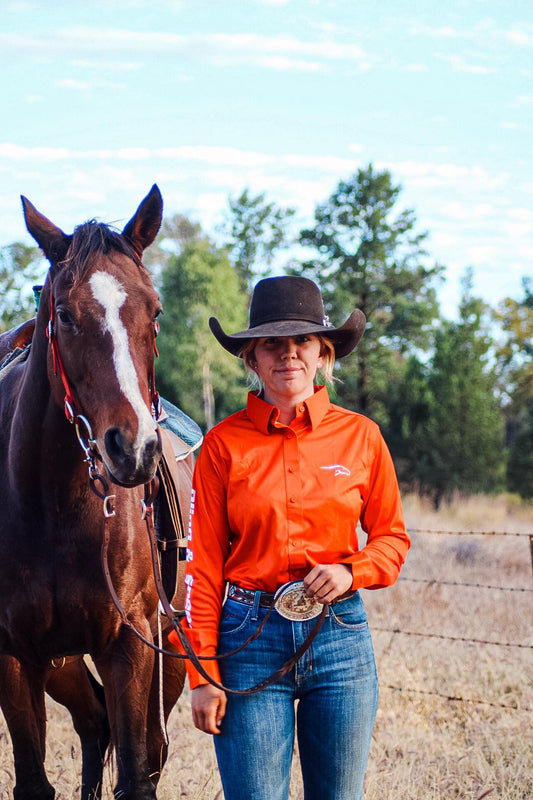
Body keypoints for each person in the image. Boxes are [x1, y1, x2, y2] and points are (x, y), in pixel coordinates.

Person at [168, 276, 410, 800]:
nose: (288, 355)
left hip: (339, 635)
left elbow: (391, 540)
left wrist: (352, 570)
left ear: (324, 355)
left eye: (302, 342)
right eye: (271, 344)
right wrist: (202, 674)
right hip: (246, 639)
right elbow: (203, 567)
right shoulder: (221, 446)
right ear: (251, 360)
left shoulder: (361, 436)